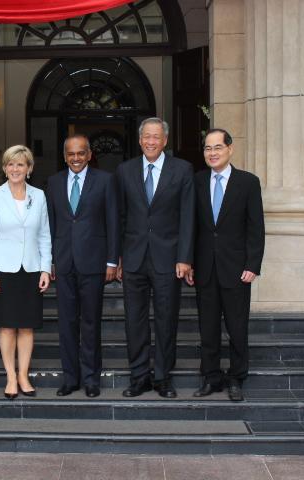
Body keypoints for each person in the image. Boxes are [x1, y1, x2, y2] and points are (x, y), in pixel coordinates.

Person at [115, 117, 195, 399]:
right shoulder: (125, 171)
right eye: (146, 136)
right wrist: (117, 257)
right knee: (134, 320)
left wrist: (185, 257)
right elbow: (119, 217)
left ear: (165, 141)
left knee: (166, 319)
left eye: (156, 137)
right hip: (134, 257)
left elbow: (187, 217)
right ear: (140, 140)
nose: (150, 141)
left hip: (168, 258)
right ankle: (139, 377)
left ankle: (162, 377)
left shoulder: (182, 170)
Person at [188, 128, 265, 402]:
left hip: (237, 269)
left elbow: (256, 227)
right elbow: (191, 226)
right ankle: (210, 377)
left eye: (217, 147)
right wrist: (189, 262)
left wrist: (253, 264)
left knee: (236, 327)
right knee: (207, 328)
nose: (212, 153)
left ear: (230, 149)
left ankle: (236, 378)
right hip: (205, 268)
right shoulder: (196, 182)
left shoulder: (248, 182)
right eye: (208, 148)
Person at [46, 134, 119, 398]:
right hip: (63, 263)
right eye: (70, 154)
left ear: (89, 154)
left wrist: (112, 259)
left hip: (94, 261)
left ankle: (91, 379)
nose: (75, 158)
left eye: (80, 153)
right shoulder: (53, 183)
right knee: (66, 323)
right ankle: (70, 378)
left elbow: (113, 221)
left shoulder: (106, 180)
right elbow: (50, 226)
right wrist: (50, 261)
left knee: (90, 322)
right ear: (64, 156)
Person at [0, 145, 51, 399]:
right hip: (4, 270)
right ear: (5, 168)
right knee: (8, 326)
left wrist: (45, 268)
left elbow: (45, 235)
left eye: (20, 164)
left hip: (31, 269)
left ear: (29, 168)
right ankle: (10, 377)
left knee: (27, 327)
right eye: (11, 164)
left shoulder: (40, 196)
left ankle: (24, 375)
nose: (15, 169)